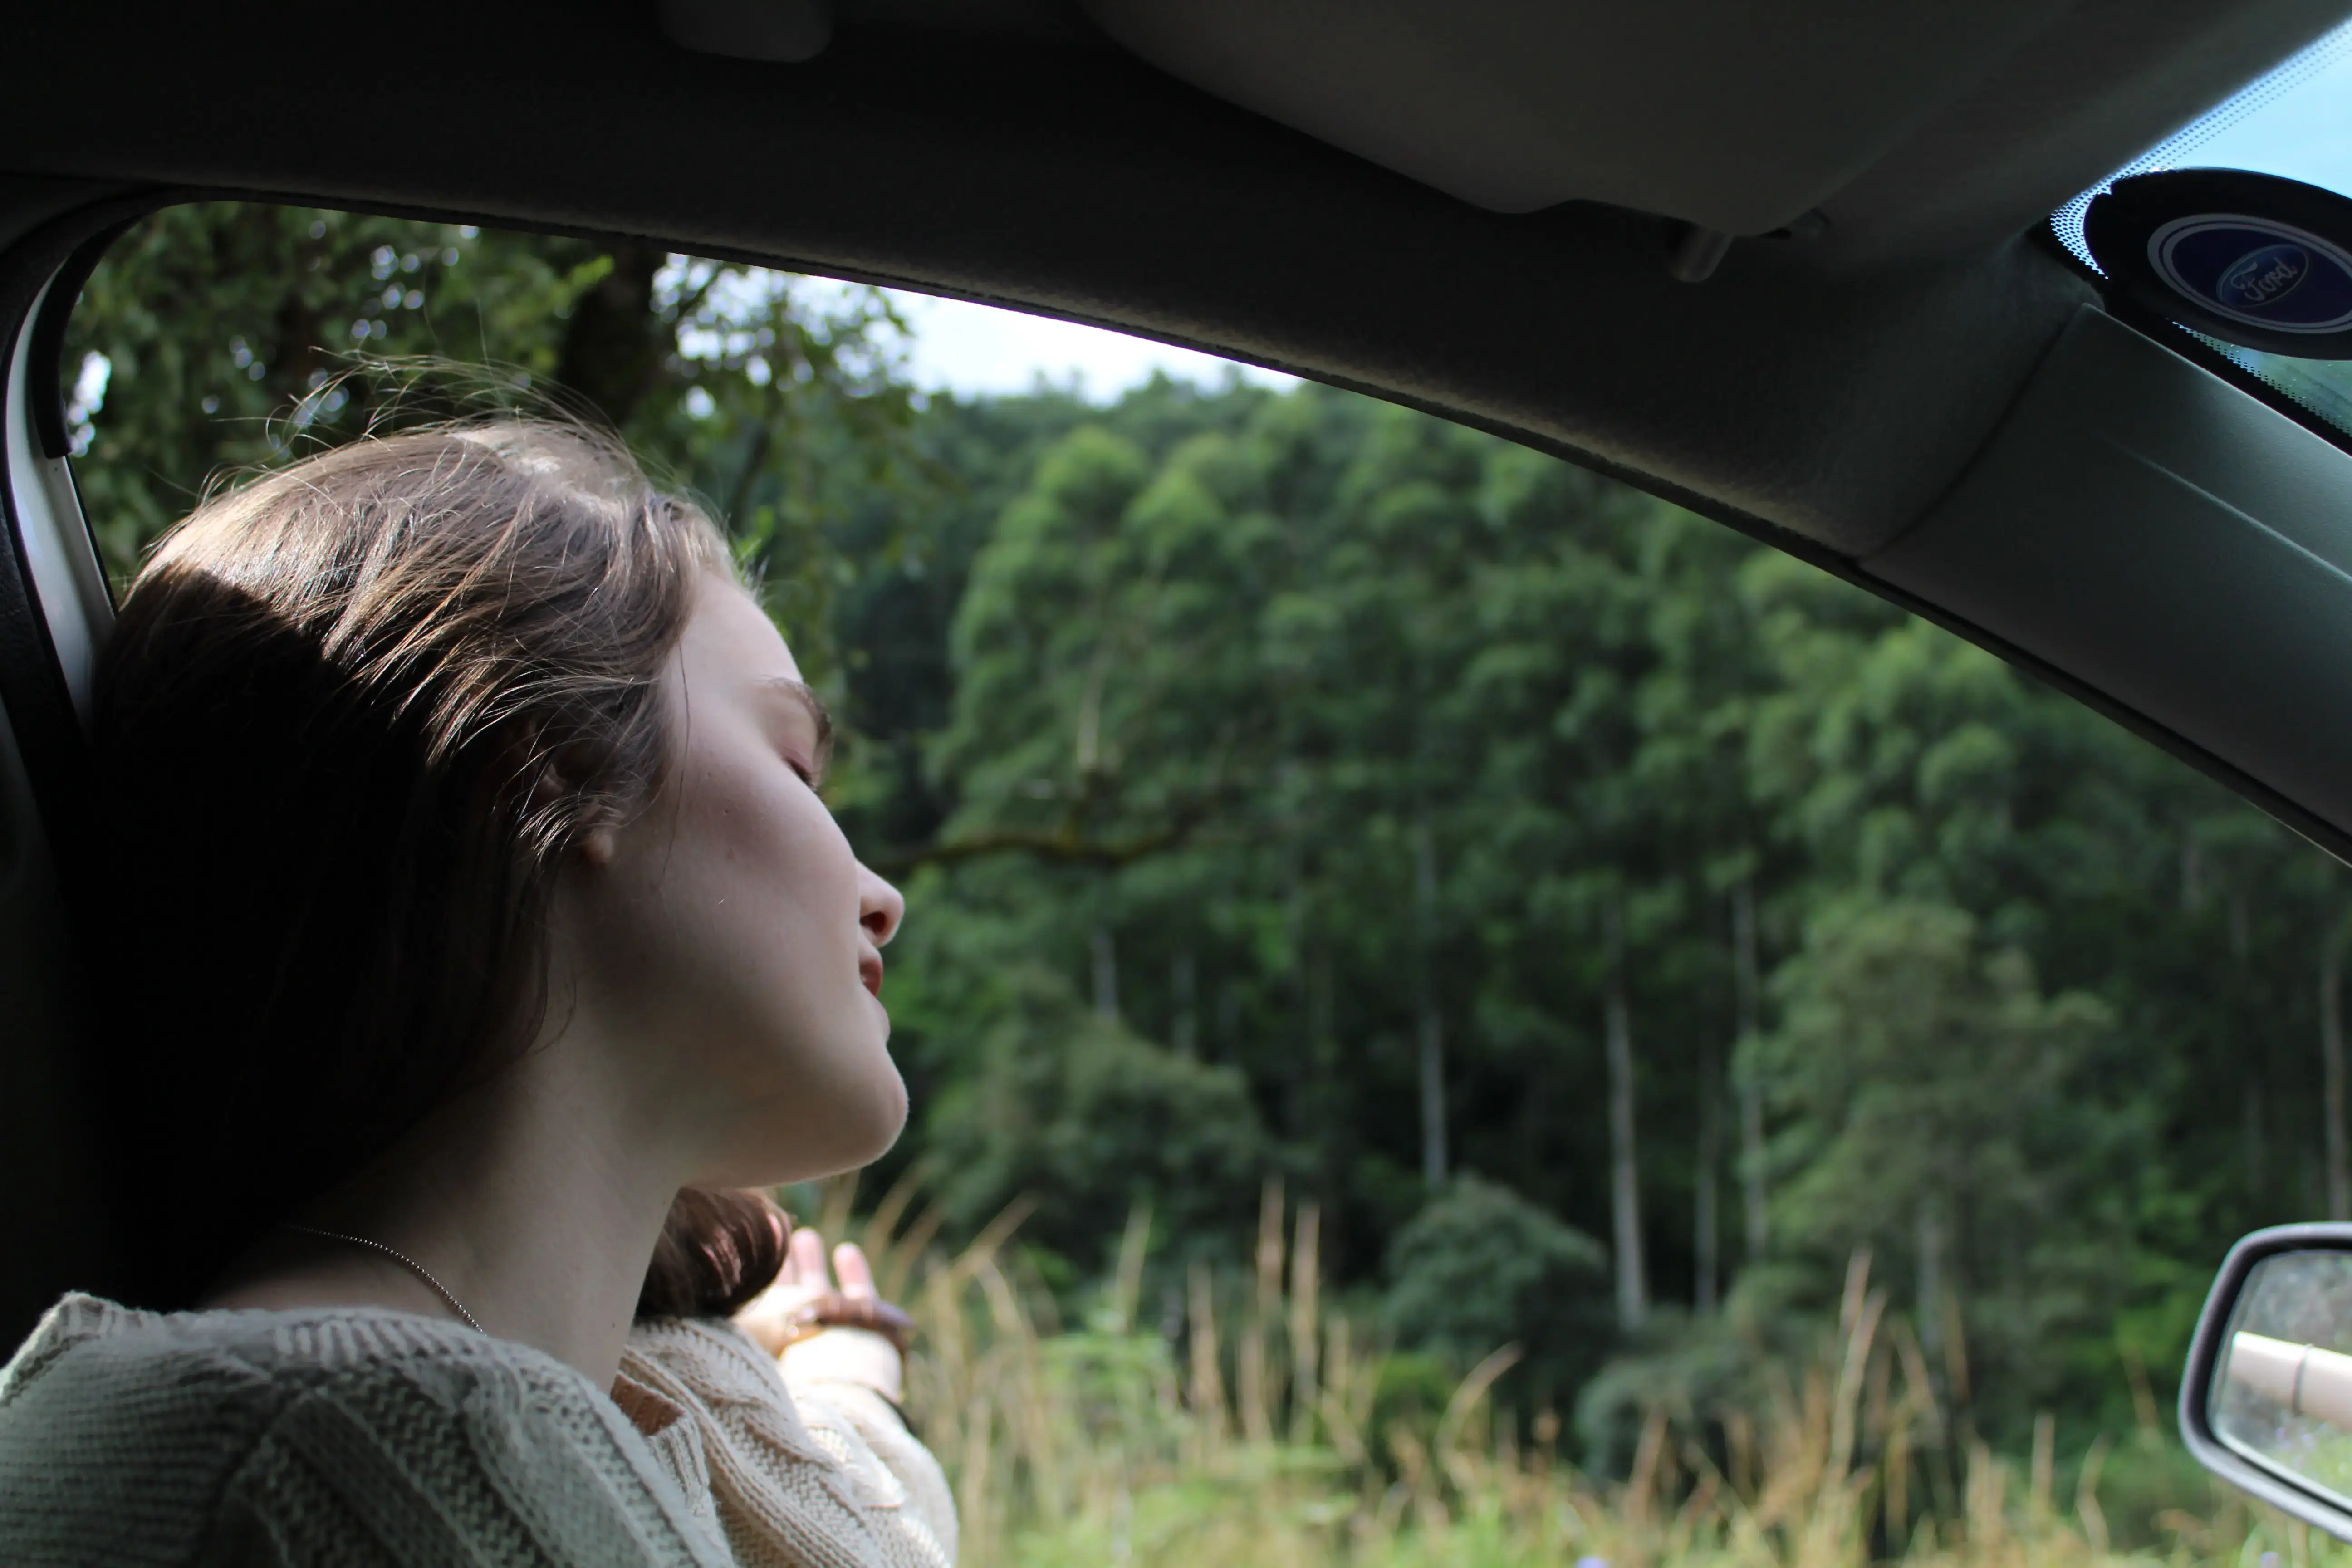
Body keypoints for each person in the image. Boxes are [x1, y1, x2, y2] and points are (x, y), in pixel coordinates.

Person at [0, 419, 954, 1567]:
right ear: (551, 761)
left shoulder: (485, 1418)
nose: (881, 894)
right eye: (797, 764)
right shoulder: (364, 1450)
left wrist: (843, 1369)